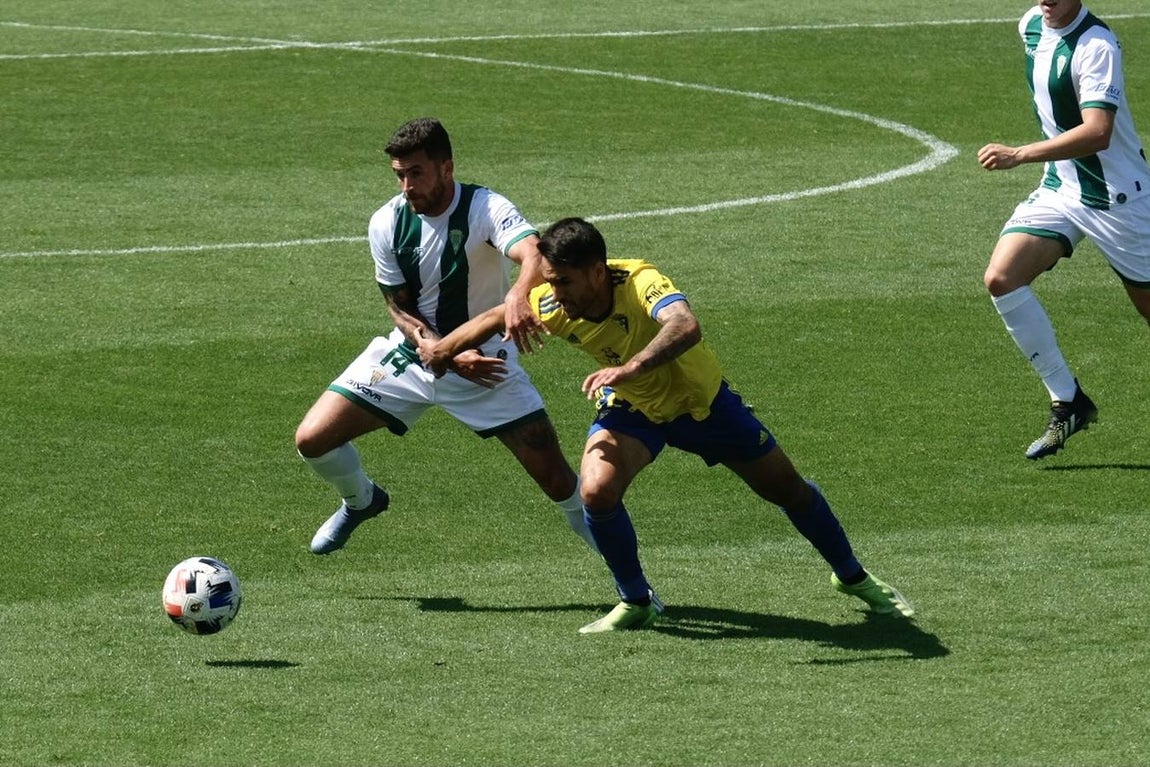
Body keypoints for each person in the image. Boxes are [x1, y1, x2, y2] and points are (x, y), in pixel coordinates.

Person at [422, 217, 914, 633]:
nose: (553, 293)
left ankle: (851, 576)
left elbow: (684, 324)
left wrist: (631, 367)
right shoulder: (553, 300)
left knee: (788, 490)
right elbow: (492, 316)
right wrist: (442, 352)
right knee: (595, 491)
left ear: (598, 271)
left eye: (564, 282)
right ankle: (637, 601)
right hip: (634, 412)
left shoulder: (638, 281)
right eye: (548, 280)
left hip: (704, 407)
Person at [294, 118, 596, 555]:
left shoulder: (484, 208)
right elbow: (399, 307)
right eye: (399, 174)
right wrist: (446, 355)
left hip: (487, 365)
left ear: (446, 168)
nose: (406, 186)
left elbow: (532, 251)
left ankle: (634, 587)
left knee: (559, 482)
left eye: (416, 173)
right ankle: (361, 500)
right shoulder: (386, 222)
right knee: (312, 439)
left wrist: (516, 295)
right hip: (414, 356)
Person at [978, 0, 1150, 460]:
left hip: (1119, 200)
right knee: (1001, 278)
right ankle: (1068, 400)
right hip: (1062, 188)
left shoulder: (1096, 45)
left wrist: (1019, 154)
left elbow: (1098, 132)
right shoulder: (1031, 25)